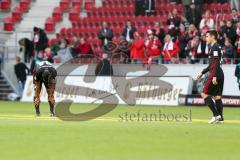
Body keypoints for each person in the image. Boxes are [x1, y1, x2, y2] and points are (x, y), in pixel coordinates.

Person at [195, 30, 224, 124]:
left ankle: (216, 115)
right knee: (217, 97)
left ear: (213, 37)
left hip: (215, 73)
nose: (206, 38)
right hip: (220, 73)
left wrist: (214, 76)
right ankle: (220, 118)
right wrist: (202, 73)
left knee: (204, 93)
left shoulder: (215, 47)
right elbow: (212, 64)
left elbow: (215, 63)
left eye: (207, 36)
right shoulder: (216, 47)